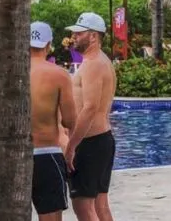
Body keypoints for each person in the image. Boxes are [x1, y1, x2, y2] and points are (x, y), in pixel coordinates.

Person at [64, 13, 116, 221]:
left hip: (90, 142)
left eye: (79, 33)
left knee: (83, 207)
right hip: (100, 140)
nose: (73, 37)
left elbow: (90, 108)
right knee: (100, 205)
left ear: (93, 36)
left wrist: (72, 145)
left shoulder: (94, 63)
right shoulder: (100, 61)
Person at [30, 22, 77, 221]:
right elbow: (70, 120)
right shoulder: (59, 75)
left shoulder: (8, 73)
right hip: (46, 153)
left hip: (12, 155)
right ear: (48, 45)